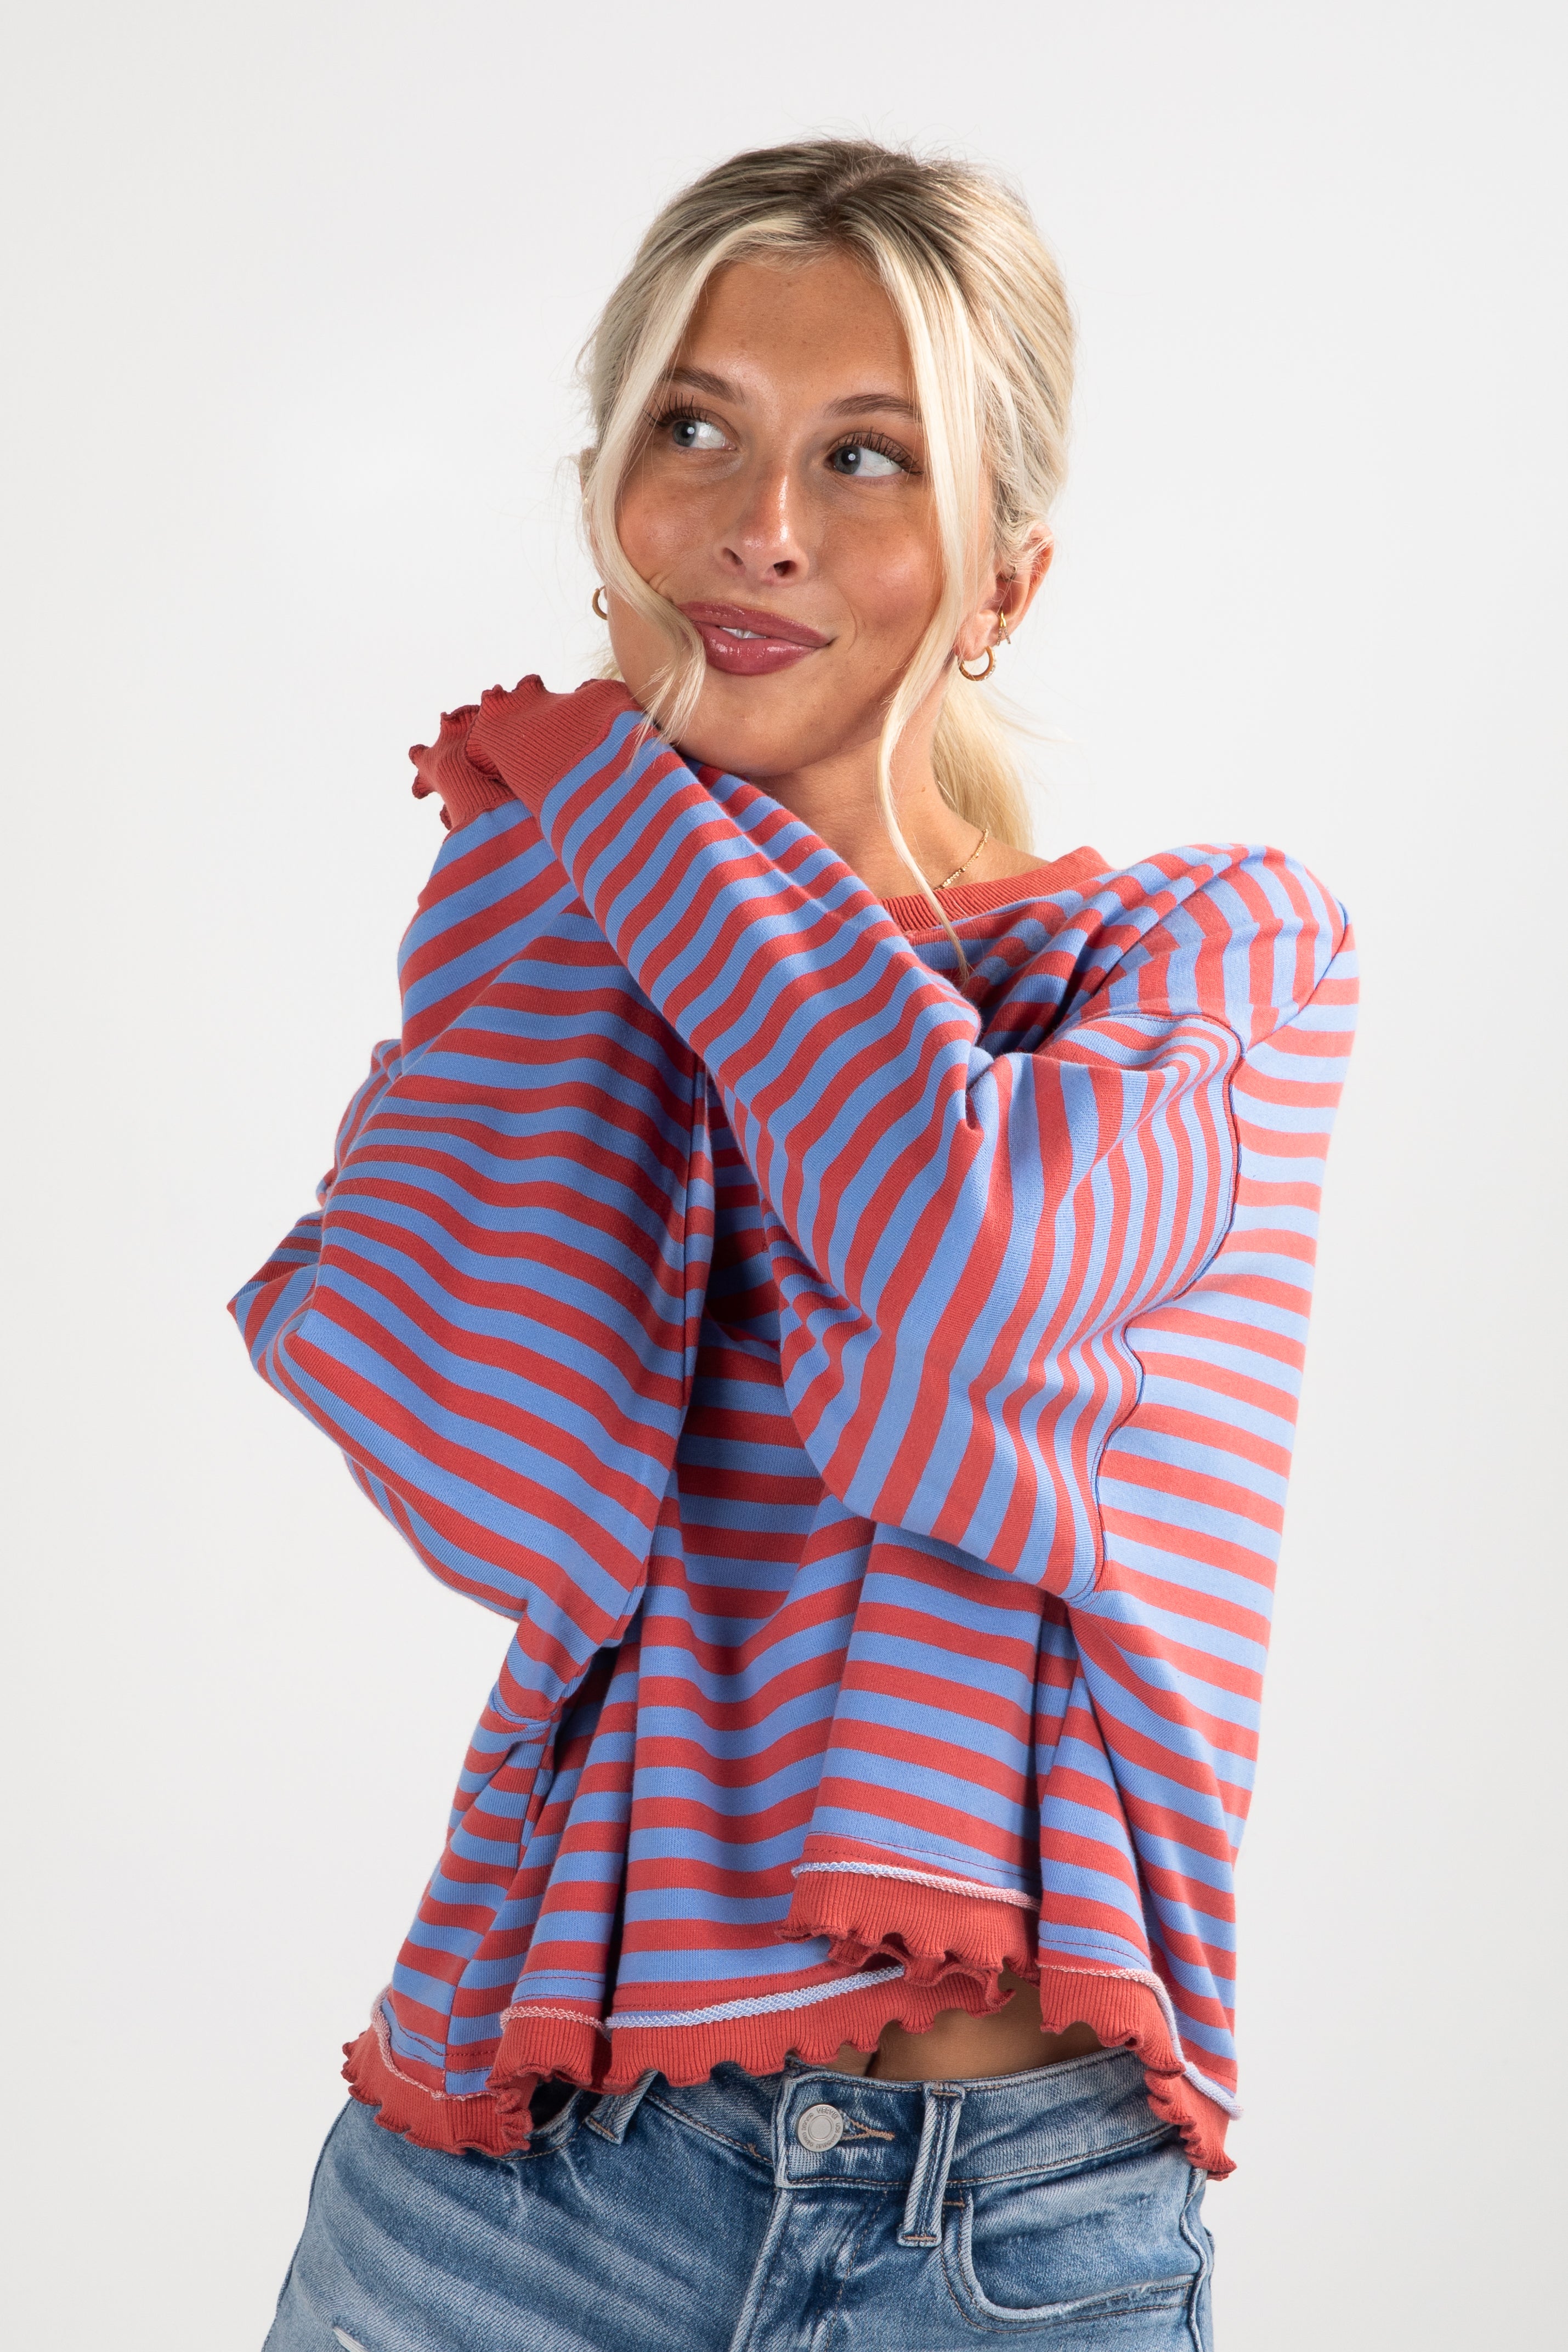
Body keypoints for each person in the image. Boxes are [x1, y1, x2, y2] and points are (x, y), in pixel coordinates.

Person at [236, 138, 1356, 2352]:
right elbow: (516, 1475)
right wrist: (583, 876)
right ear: (604, 501)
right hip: (517, 2193)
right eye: (692, 429)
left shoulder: (1208, 956)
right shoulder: (586, 932)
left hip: (1016, 2243)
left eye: (866, 455)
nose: (758, 526)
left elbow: (958, 1252)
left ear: (1004, 577)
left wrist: (616, 798)